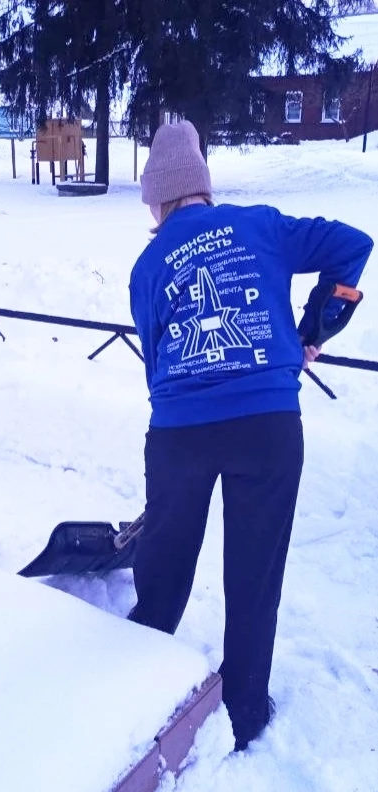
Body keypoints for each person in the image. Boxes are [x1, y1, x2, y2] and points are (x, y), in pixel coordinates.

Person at [127, 120, 373, 752]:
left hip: (180, 433)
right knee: (254, 574)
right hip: (268, 428)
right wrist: (314, 327)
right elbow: (354, 244)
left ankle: (132, 684)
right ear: (203, 187)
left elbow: (154, 358)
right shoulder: (262, 226)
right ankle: (244, 711)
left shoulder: (148, 266)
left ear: (158, 198)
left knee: (165, 558)